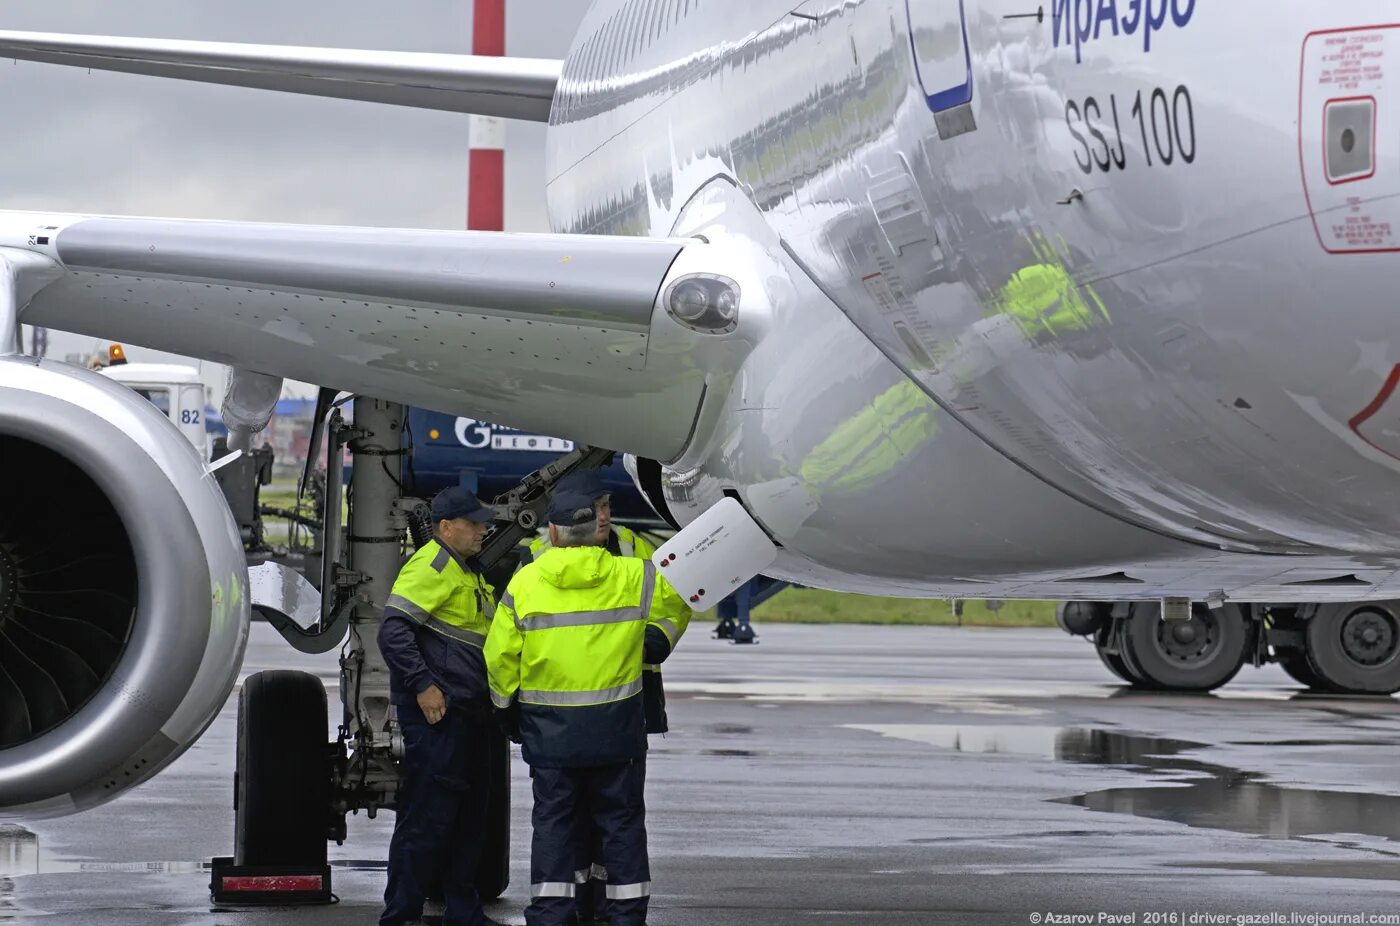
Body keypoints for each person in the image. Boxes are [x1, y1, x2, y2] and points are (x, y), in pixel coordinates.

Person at [484, 491, 690, 926]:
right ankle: (627, 914)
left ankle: (552, 912)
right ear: (596, 531)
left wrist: (506, 712)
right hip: (617, 733)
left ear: (554, 533)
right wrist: (658, 640)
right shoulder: (635, 574)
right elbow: (680, 598)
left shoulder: (526, 581)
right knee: (622, 825)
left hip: (550, 736)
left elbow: (500, 658)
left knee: (555, 826)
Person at [378, 486, 499, 926]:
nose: (483, 529)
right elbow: (393, 631)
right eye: (474, 523)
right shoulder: (431, 566)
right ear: (447, 527)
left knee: (468, 820)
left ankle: (463, 911)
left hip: (468, 715)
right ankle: (401, 914)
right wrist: (423, 686)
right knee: (428, 819)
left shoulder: (466, 572)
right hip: (438, 716)